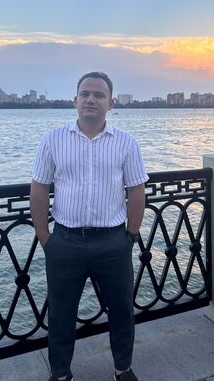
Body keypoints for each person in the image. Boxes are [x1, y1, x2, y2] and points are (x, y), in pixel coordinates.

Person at [30, 71, 148, 381]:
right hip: (65, 242)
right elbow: (39, 188)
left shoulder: (126, 143)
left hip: (112, 242)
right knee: (60, 313)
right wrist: (44, 236)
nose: (91, 99)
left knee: (121, 309)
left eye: (98, 95)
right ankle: (60, 373)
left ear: (111, 103)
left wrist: (130, 236)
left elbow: (137, 191)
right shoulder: (53, 140)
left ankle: (123, 368)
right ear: (75, 101)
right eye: (85, 94)